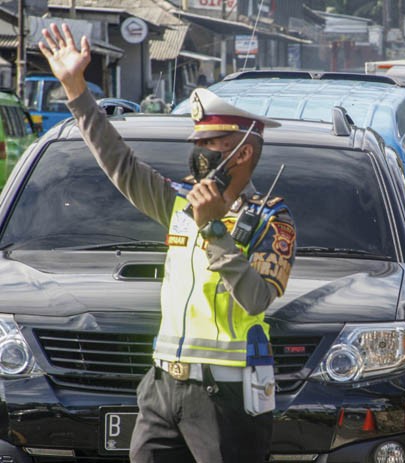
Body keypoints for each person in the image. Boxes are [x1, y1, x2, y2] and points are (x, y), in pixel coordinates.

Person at [39, 24, 295, 462]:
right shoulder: (178, 202)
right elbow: (119, 162)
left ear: (244, 152)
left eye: (212, 142)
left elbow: (254, 300)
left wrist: (215, 231)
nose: (200, 150)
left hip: (226, 393)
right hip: (162, 387)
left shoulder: (270, 221)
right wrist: (76, 90)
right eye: (197, 141)